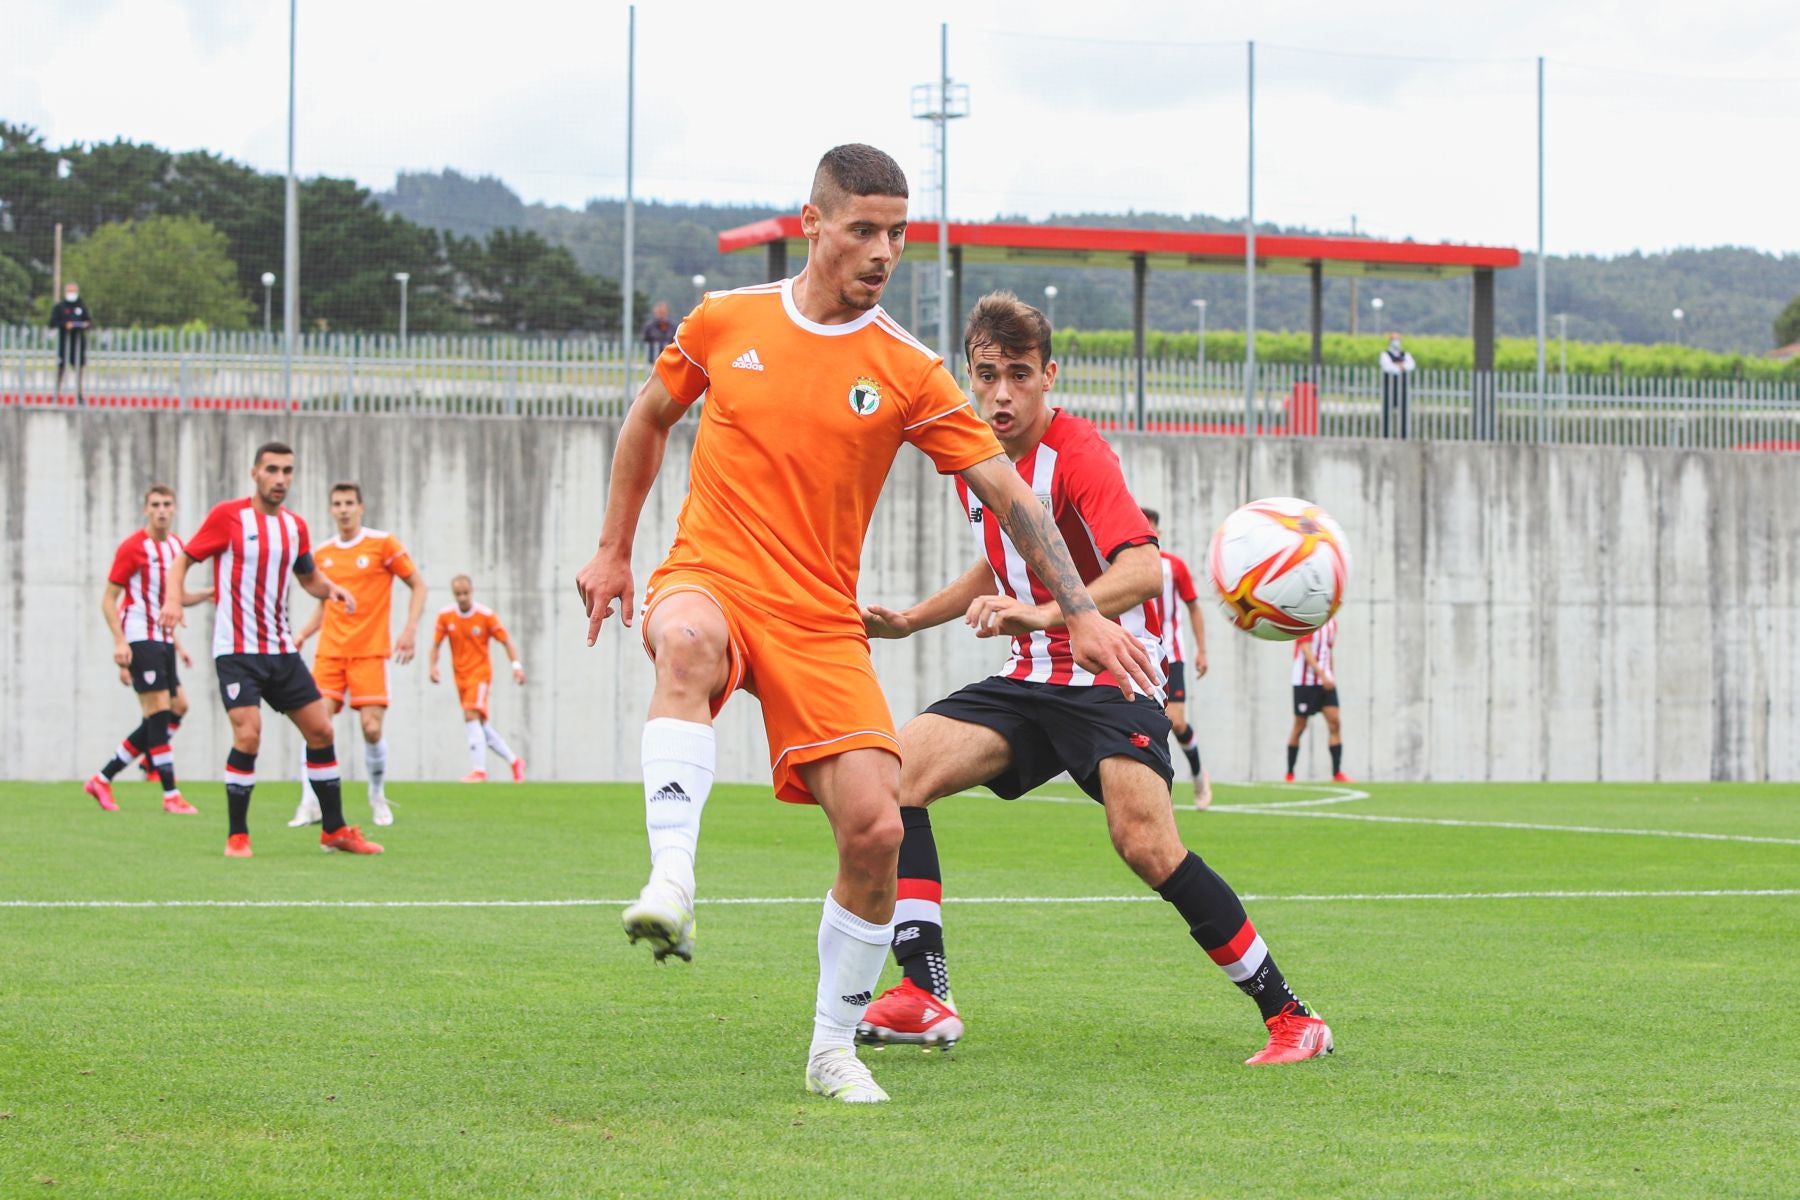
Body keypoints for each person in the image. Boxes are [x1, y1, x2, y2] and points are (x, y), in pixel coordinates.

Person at [574, 145, 1154, 1106]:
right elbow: (647, 422)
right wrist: (613, 550)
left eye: (898, 233)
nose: (884, 250)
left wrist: (1081, 612)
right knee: (682, 642)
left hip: (819, 618)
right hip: (710, 573)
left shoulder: (907, 368)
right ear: (813, 223)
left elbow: (1009, 491)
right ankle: (671, 882)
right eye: (864, 230)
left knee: (879, 829)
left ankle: (831, 1048)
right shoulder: (726, 320)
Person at [858, 290, 1333, 1068]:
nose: (1002, 392)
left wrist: (1046, 615)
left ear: (1050, 376)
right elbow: (1001, 554)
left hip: (1112, 679)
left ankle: (1291, 1017)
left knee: (1145, 845)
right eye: (987, 375)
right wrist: (914, 619)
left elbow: (1142, 570)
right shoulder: (973, 455)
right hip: (1028, 679)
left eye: (1019, 374)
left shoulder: (1079, 454)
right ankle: (925, 992)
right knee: (893, 775)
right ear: (970, 379)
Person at [158, 442, 384, 858]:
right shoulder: (228, 516)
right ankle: (237, 836)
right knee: (248, 735)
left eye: (288, 471)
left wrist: (331, 589)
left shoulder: (294, 526)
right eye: (273, 470)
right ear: (255, 473)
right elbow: (182, 561)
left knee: (321, 730)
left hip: (280, 650)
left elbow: (308, 576)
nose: (280, 479)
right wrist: (173, 601)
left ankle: (333, 829)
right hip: (237, 652)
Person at [289, 482, 427, 828]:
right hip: (330, 653)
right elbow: (326, 604)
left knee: (371, 728)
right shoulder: (322, 554)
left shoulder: (382, 544)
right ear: (331, 509)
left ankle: (377, 795)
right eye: (337, 503)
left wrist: (409, 629)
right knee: (316, 726)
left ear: (361, 507)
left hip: (369, 652)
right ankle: (309, 804)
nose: (344, 509)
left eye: (350, 502)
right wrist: (304, 633)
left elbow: (418, 585)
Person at [85, 485, 212, 814]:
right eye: (155, 504)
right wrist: (119, 642)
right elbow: (108, 600)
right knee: (157, 712)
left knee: (178, 707)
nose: (161, 510)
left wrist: (212, 593)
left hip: (164, 639)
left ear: (175, 509)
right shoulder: (133, 548)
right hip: (140, 636)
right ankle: (170, 794)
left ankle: (105, 777)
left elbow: (175, 600)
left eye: (167, 504)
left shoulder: (176, 547)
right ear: (145, 509)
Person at [1141, 507, 1212, 810]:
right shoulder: (1120, 563)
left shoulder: (1174, 567)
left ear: (1158, 533)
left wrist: (1202, 650)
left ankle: (1198, 776)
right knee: (1142, 724)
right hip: (1138, 652)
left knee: (1176, 722)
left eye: (1153, 529)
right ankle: (1155, 792)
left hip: (1172, 654)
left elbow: (1194, 607)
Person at [428, 575, 525, 782]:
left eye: (465, 593)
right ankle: (514, 761)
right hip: (460, 676)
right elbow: (436, 645)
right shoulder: (445, 616)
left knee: (470, 716)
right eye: (458, 594)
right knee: (479, 725)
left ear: (471, 592)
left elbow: (506, 641)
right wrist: (433, 667)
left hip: (480, 674)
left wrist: (516, 666)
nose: (462, 598)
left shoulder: (485, 616)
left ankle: (479, 770)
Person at [1285, 615, 1349, 783]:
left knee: (1335, 721)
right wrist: (1321, 674)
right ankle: (1290, 773)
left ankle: (1337, 773)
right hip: (1305, 682)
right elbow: (1305, 649)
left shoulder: (1333, 623)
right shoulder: (1308, 619)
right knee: (1300, 726)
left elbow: (1328, 651)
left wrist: (1330, 675)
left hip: (1326, 683)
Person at [49, 281, 94, 403]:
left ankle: (79, 396)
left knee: (79, 369)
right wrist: (65, 325)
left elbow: (89, 323)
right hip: (64, 341)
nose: (71, 293)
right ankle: (56, 394)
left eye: (73, 291)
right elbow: (53, 323)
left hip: (78, 342)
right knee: (61, 367)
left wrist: (84, 325)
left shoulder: (82, 306)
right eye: (69, 291)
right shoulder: (60, 307)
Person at [1379, 330, 1415, 438]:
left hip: (1402, 387)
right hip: (1389, 387)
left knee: (1404, 412)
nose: (1396, 341)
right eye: (1394, 339)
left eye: (1398, 339)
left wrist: (1399, 366)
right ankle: (1385, 435)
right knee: (1387, 412)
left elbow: (1411, 365)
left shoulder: (1406, 354)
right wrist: (1400, 367)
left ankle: (1404, 436)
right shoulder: (1385, 354)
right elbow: (1387, 367)